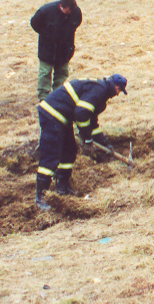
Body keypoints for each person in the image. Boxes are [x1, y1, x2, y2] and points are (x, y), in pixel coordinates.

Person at [35, 74, 127, 210]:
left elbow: (92, 122)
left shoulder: (101, 95)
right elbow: (81, 113)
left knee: (70, 150)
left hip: (62, 117)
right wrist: (86, 137)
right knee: (51, 155)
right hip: (53, 113)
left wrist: (104, 142)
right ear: (116, 87)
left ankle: (62, 187)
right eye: (119, 91)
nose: (118, 94)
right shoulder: (99, 90)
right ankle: (41, 197)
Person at [31, 0, 83, 100]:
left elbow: (76, 23)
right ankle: (43, 96)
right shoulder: (46, 11)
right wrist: (46, 34)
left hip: (64, 49)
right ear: (61, 6)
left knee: (62, 72)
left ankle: (59, 93)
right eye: (67, 11)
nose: (69, 14)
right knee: (45, 72)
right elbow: (34, 23)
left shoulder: (76, 12)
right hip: (47, 48)